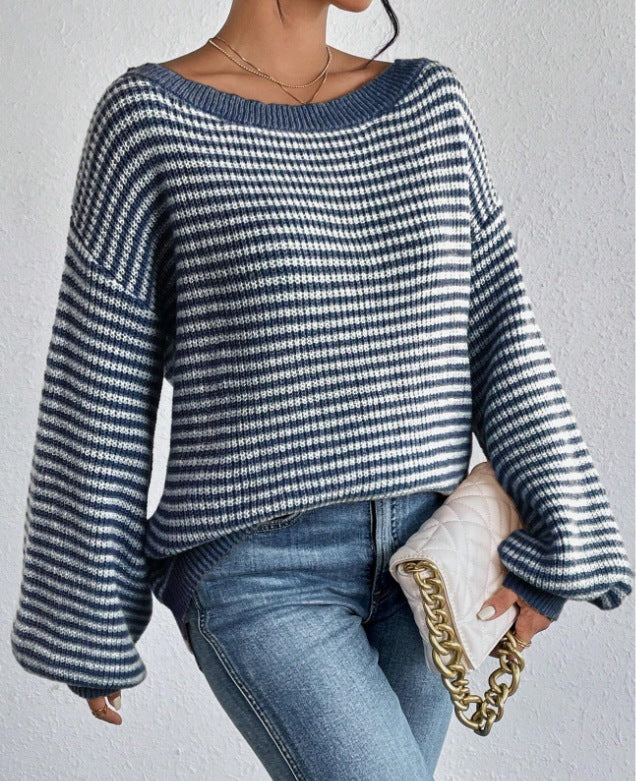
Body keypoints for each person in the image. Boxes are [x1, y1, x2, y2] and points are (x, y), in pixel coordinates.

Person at [10, 1, 634, 778]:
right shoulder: (147, 121)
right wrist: (88, 609)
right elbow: (98, 378)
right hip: (259, 572)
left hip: (434, 561)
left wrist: (563, 536)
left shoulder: (431, 106)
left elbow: (503, 327)